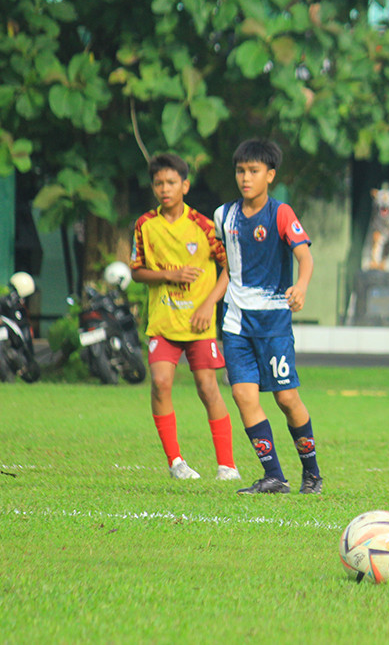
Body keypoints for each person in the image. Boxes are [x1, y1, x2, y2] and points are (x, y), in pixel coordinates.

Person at [214, 139, 322, 495]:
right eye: (240, 171)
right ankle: (274, 476)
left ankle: (312, 474)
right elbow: (229, 267)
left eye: (254, 171)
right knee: (243, 395)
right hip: (236, 322)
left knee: (286, 399)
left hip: (273, 322)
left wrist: (301, 286)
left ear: (270, 175)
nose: (246, 178)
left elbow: (304, 256)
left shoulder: (281, 213)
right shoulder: (223, 216)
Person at [130, 153, 240, 481]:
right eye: (158, 183)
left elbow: (230, 269)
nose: (165, 189)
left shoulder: (205, 226)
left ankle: (227, 466)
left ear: (185, 185)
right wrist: (170, 275)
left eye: (171, 182)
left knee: (207, 388)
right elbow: (136, 271)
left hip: (199, 324)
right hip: (163, 323)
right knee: (161, 383)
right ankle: (175, 462)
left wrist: (208, 306)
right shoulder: (145, 225)